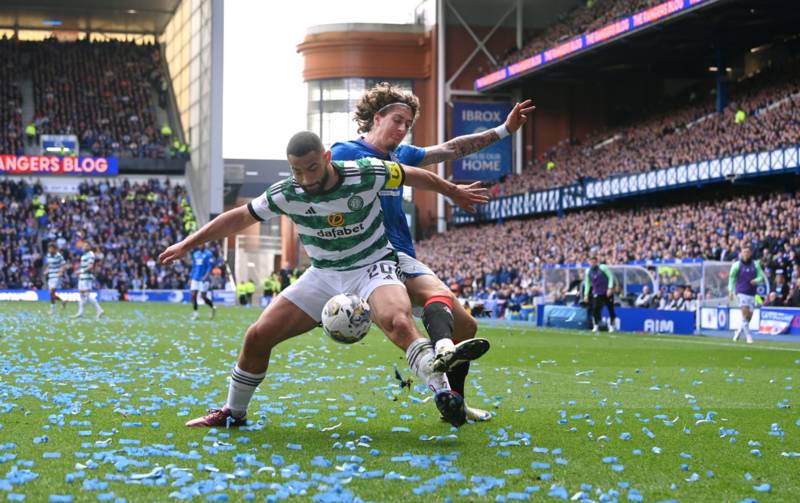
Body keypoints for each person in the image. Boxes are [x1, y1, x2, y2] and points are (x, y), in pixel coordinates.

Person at [159, 131, 490, 429]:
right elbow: (241, 216)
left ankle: (442, 392)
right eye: (296, 170)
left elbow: (412, 174)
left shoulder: (365, 172)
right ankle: (234, 411)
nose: (304, 178)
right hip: (323, 274)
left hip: (372, 265)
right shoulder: (287, 192)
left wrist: (452, 191)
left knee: (398, 321)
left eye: (312, 168)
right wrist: (189, 243)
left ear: (327, 158)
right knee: (258, 335)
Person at [331, 82, 534, 422]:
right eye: (397, 120)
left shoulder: (401, 156)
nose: (402, 128)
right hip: (366, 259)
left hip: (401, 255)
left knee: (466, 327)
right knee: (403, 322)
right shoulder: (345, 152)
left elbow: (452, 149)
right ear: (376, 118)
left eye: (407, 124)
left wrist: (504, 129)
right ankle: (441, 356)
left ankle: (454, 401)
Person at [728, 245, 765, 344]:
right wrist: (731, 291)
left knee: (748, 317)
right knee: (744, 313)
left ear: (750, 253)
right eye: (744, 252)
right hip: (741, 292)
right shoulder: (737, 265)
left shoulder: (755, 265)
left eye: (748, 252)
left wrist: (756, 280)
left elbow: (761, 276)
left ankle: (739, 330)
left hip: (752, 293)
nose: (746, 254)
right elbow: (731, 278)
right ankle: (749, 336)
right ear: (741, 253)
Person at [583, 256, 616, 332]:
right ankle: (596, 325)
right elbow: (587, 283)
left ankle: (612, 325)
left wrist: (610, 288)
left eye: (594, 261)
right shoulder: (588, 271)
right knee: (595, 309)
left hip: (607, 291)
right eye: (591, 262)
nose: (592, 263)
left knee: (610, 308)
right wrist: (586, 295)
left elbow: (610, 277)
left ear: (596, 261)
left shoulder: (603, 267)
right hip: (597, 292)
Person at [72, 242, 104, 320]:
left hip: (86, 277)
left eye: (86, 246)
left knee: (87, 295)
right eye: (84, 246)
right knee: (82, 295)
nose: (84, 247)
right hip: (82, 277)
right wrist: (79, 271)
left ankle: (99, 309)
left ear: (89, 246)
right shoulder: (83, 255)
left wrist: (81, 271)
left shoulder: (91, 254)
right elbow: (84, 266)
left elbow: (90, 266)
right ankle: (80, 313)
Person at [189, 244, 216, 320]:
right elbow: (194, 266)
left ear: (204, 245)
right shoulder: (195, 254)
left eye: (202, 244)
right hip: (195, 278)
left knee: (203, 297)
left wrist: (206, 276)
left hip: (204, 279)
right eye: (199, 244)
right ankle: (195, 313)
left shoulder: (208, 254)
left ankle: (213, 307)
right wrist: (191, 277)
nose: (200, 245)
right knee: (193, 295)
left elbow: (209, 266)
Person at [44, 242, 67, 314]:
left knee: (52, 291)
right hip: (50, 276)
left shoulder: (59, 256)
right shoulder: (48, 256)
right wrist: (46, 270)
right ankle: (62, 301)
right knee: (52, 294)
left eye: (51, 248)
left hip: (57, 276)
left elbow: (64, 265)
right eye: (49, 248)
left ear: (55, 249)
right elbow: (49, 265)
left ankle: (52, 309)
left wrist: (61, 272)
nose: (50, 250)